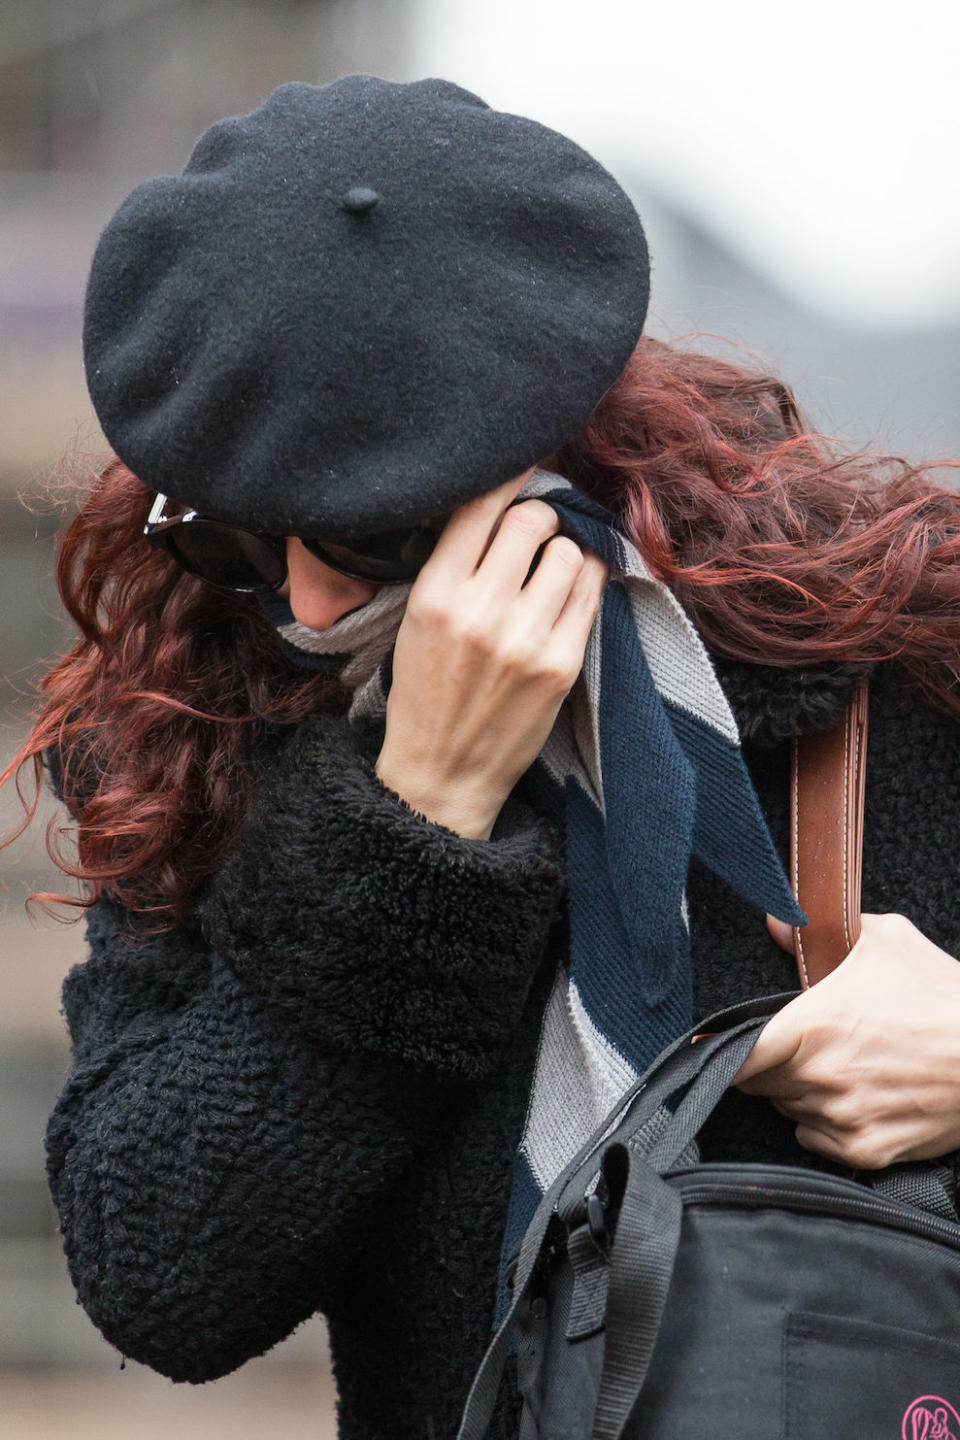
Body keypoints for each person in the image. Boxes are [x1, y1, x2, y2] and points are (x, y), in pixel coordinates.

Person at [3, 74, 960, 1440]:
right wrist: (415, 824)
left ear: (544, 450)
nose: (309, 608)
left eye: (366, 536)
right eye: (231, 539)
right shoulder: (207, 722)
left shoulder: (902, 647)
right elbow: (163, 1282)